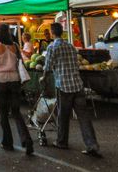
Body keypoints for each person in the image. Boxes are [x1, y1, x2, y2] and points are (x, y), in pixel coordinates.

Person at [42, 22, 101, 158]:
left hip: (63, 85)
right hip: (77, 85)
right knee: (84, 117)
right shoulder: (70, 46)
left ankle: (62, 141)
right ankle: (92, 145)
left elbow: (48, 66)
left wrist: (43, 78)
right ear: (62, 32)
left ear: (52, 32)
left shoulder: (52, 47)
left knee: (63, 115)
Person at [0, 23, 34, 155]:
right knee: (16, 112)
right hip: (15, 81)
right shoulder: (15, 46)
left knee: (3, 113)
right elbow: (20, 63)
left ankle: (7, 142)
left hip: (1, 81)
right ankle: (27, 140)